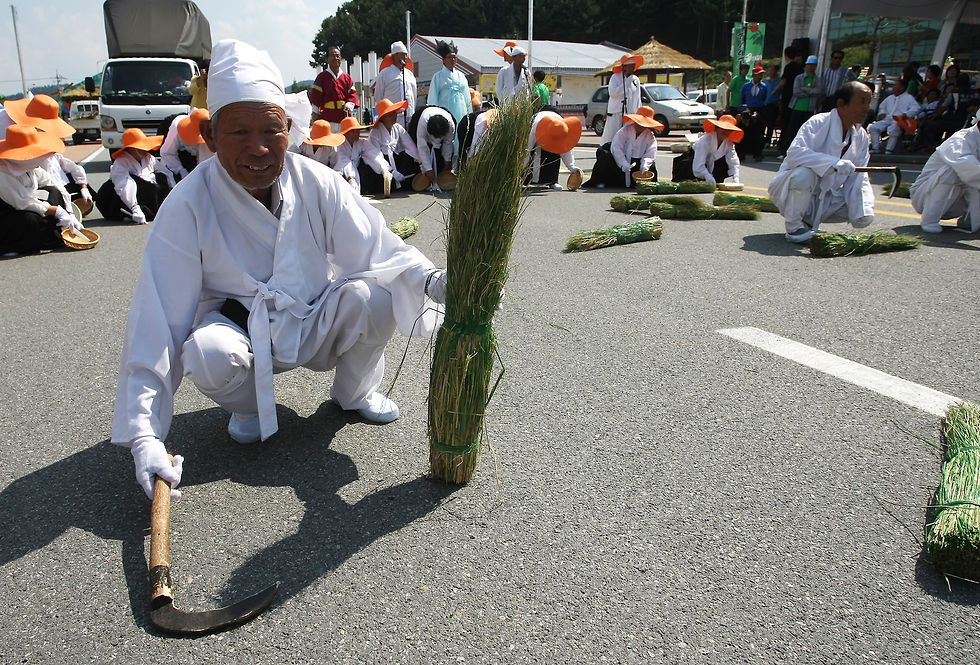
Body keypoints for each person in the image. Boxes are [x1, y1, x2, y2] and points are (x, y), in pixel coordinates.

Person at [111, 39, 448, 500]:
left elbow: (375, 248)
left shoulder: (316, 181)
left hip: (312, 314)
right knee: (208, 354)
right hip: (240, 332)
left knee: (378, 298)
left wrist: (433, 281)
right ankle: (248, 407)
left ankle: (355, 391)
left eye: (271, 131)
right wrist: (147, 438)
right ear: (210, 136)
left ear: (288, 129)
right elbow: (158, 316)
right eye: (238, 133)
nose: (259, 148)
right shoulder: (186, 205)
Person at [768, 81, 875, 243]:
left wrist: (863, 207)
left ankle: (809, 223)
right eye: (862, 102)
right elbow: (795, 153)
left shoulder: (861, 136)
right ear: (841, 104)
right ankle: (794, 227)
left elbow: (860, 176)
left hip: (826, 198)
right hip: (791, 189)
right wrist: (833, 163)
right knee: (804, 175)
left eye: (869, 102)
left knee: (859, 209)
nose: (867, 108)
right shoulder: (817, 122)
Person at [0, 125, 85, 256]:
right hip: (7, 214)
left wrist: (69, 212)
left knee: (53, 192)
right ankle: (14, 245)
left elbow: (52, 183)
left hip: (28, 204)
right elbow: (23, 203)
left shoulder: (30, 167)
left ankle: (52, 233)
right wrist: (56, 211)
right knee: (30, 220)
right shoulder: (3, 172)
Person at [910, 109, 980, 233]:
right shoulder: (960, 139)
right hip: (925, 196)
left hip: (956, 203)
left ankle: (970, 220)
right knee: (951, 172)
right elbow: (967, 167)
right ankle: (929, 220)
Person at [94, 128, 168, 224]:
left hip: (144, 194)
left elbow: (164, 171)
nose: (144, 150)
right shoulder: (121, 162)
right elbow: (124, 185)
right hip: (118, 197)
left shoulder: (148, 158)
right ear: (132, 148)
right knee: (136, 181)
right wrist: (135, 208)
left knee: (161, 177)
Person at [583, 105, 662, 189]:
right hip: (621, 161)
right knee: (604, 155)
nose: (640, 126)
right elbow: (616, 148)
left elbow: (650, 153)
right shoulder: (624, 131)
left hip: (638, 162)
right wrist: (623, 163)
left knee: (652, 166)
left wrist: (645, 165)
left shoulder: (650, 136)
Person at [367, 98, 421, 193]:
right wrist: (391, 171)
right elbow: (376, 157)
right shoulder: (374, 133)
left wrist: (421, 163)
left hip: (395, 159)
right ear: (383, 117)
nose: (394, 116)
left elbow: (410, 146)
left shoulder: (398, 128)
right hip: (381, 164)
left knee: (408, 157)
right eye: (390, 114)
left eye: (394, 113)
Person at [525, 109, 583, 190]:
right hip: (537, 128)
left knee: (555, 152)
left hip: (552, 123)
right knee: (533, 155)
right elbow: (526, 152)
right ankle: (525, 180)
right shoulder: (533, 128)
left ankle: (552, 181)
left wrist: (571, 166)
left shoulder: (562, 128)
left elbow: (566, 149)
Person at [334, 116, 389, 194]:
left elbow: (373, 153)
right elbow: (343, 161)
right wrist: (350, 177)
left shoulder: (362, 142)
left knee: (368, 158)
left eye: (358, 130)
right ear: (346, 133)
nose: (357, 133)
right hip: (343, 172)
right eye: (353, 131)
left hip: (357, 172)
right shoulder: (339, 146)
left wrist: (385, 169)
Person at [156, 108, 210, 187]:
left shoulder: (213, 134)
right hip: (179, 154)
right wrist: (181, 171)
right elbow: (166, 153)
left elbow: (205, 160)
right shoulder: (176, 128)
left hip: (196, 157)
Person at [309, 45, 358, 131]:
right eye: (332, 55)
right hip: (328, 119)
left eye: (337, 55)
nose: (335, 58)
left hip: (344, 118)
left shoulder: (347, 78)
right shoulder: (322, 77)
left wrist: (349, 104)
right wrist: (315, 117)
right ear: (327, 59)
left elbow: (352, 95)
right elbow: (315, 99)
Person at [408, 105, 456, 191]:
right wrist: (428, 169)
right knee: (423, 160)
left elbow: (447, 143)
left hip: (442, 119)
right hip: (420, 121)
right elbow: (422, 147)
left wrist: (447, 161)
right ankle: (425, 178)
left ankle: (439, 179)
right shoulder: (422, 123)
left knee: (442, 161)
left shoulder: (450, 125)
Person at [426, 40, 470, 130]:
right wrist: (435, 116)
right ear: (444, 59)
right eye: (449, 57)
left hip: (461, 112)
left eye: (454, 57)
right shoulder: (438, 77)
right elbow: (433, 98)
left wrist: (469, 113)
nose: (452, 59)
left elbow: (467, 97)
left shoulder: (461, 76)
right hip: (445, 113)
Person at [372, 41, 417, 128]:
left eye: (406, 55)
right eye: (402, 54)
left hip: (409, 116)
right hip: (393, 117)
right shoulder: (384, 73)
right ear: (395, 56)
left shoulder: (409, 74)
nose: (405, 57)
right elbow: (378, 95)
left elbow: (414, 95)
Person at [868, 79, 919, 154]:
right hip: (887, 119)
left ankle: (889, 149)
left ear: (902, 88)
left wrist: (907, 114)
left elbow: (916, 108)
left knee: (894, 128)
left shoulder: (908, 98)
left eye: (896, 85)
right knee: (874, 127)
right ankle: (876, 148)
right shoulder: (890, 98)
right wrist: (882, 113)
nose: (893, 87)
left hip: (900, 120)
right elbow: (882, 107)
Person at [600, 54, 643, 145]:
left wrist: (639, 113)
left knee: (627, 138)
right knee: (611, 136)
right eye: (631, 67)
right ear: (625, 67)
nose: (632, 69)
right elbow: (613, 93)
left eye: (633, 67)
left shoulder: (635, 80)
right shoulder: (615, 77)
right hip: (616, 113)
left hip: (630, 114)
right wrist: (627, 81)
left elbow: (638, 98)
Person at [784, 55, 824, 151]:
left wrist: (805, 89)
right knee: (792, 131)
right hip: (797, 107)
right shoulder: (799, 78)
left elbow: (819, 92)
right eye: (809, 65)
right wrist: (812, 91)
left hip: (810, 109)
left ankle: (803, 151)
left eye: (813, 65)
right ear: (806, 66)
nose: (811, 67)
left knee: (807, 132)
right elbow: (796, 92)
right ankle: (785, 150)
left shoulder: (818, 79)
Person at [690, 115, 741, 185]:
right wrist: (707, 176)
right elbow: (697, 166)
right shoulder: (705, 141)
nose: (725, 131)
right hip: (691, 166)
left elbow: (733, 161)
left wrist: (736, 177)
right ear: (717, 128)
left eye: (729, 130)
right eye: (723, 128)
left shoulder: (729, 143)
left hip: (711, 167)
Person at [775, 46, 805, 156]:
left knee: (785, 124)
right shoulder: (801, 68)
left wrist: (774, 91)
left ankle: (782, 146)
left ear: (786, 55)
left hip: (788, 98)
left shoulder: (789, 67)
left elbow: (783, 82)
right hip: (797, 100)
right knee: (794, 125)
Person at [763, 64, 782, 147]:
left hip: (774, 105)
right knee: (764, 123)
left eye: (772, 70)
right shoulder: (765, 81)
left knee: (771, 124)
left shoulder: (780, 81)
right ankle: (762, 139)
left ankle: (768, 141)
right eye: (769, 70)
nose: (770, 72)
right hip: (765, 104)